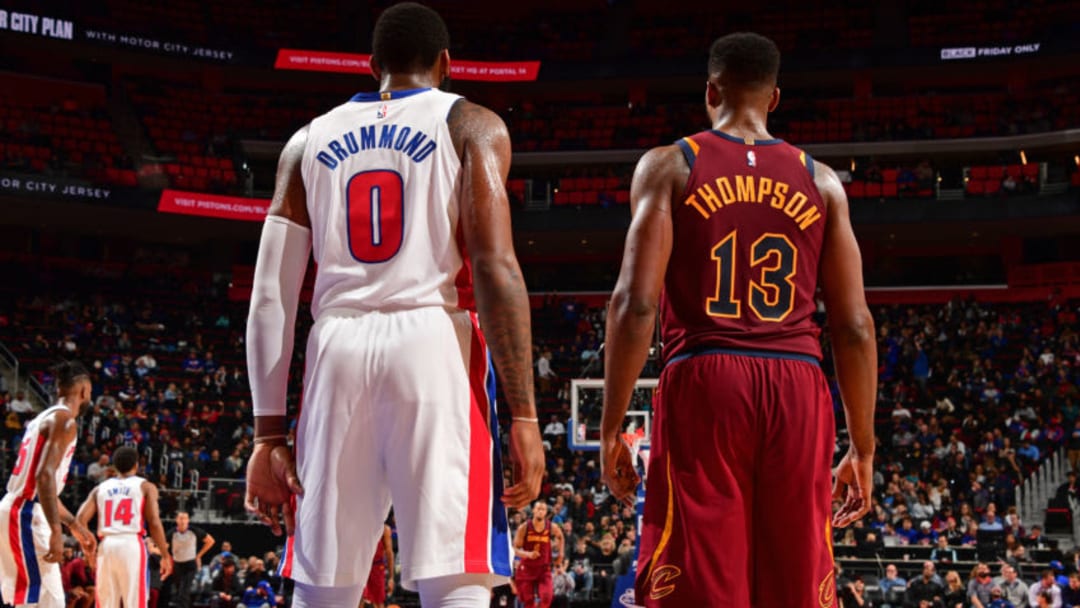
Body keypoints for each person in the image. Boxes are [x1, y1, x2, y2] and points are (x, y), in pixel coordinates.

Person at [241, 3, 544, 607]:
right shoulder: (471, 125)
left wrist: (266, 434)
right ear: (447, 64)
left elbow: (270, 295)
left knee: (324, 584)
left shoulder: (306, 141)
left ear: (372, 66)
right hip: (433, 341)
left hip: (337, 346)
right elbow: (494, 266)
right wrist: (525, 415)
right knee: (455, 574)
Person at [599, 31, 876, 606]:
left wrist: (610, 428)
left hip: (707, 375)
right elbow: (853, 326)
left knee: (702, 566)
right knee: (794, 571)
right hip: (799, 380)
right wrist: (864, 447)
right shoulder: (822, 181)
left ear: (710, 90)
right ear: (775, 97)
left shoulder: (670, 165)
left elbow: (634, 304)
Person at [0, 361, 96, 607]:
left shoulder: (44, 417)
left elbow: (44, 489)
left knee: (35, 600)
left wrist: (73, 524)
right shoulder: (65, 421)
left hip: (20, 509)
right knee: (44, 601)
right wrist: (56, 531)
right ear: (84, 391)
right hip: (24, 512)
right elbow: (44, 477)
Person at [75, 446, 174, 607]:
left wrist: (87, 548)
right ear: (136, 465)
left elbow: (79, 520)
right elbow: (154, 522)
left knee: (106, 603)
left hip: (106, 545)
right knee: (134, 602)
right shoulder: (146, 486)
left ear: (114, 467)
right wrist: (164, 554)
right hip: (131, 543)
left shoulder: (100, 488)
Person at [513, 501, 565, 608]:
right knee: (527, 601)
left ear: (546, 512)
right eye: (538, 509)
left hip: (543, 568)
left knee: (547, 597)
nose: (540, 512)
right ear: (533, 510)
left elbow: (560, 536)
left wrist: (561, 554)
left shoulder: (551, 527)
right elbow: (514, 548)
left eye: (543, 509)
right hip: (527, 568)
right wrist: (528, 554)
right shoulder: (524, 527)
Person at [168, 512, 215, 608]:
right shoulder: (172, 532)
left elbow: (210, 541)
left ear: (188, 520)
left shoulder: (194, 531)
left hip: (190, 564)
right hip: (177, 565)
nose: (182, 521)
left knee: (183, 592)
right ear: (176, 520)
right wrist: (167, 557)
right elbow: (164, 547)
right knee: (179, 592)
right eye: (180, 518)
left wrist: (198, 556)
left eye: (185, 518)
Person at [361, 524, 395, 608]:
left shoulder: (384, 529)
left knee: (378, 601)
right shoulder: (361, 527)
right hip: (361, 567)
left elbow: (389, 553)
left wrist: (391, 578)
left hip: (377, 568)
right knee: (359, 598)